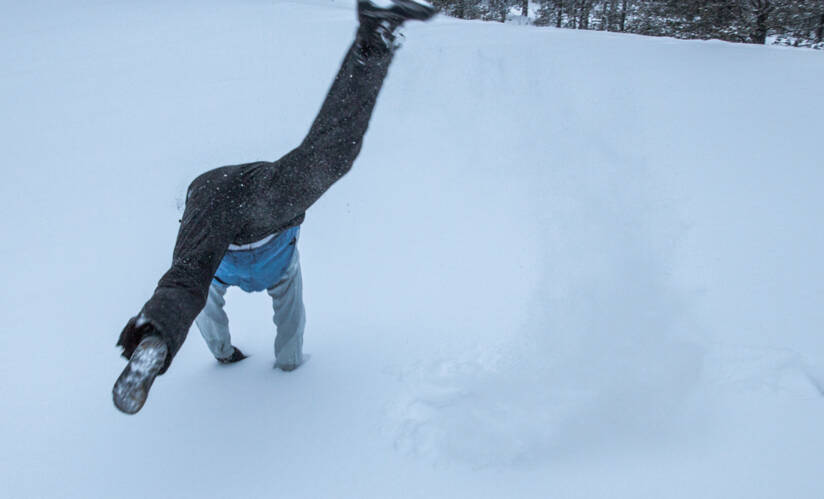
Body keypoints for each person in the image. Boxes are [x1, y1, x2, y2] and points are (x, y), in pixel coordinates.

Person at [112, 0, 436, 415]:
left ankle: (158, 335)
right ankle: (374, 37)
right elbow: (291, 315)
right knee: (330, 154)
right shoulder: (280, 255)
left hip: (210, 201)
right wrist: (289, 361)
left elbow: (191, 288)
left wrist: (210, 347)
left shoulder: (203, 226)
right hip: (261, 193)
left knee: (192, 281)